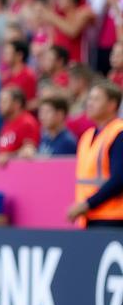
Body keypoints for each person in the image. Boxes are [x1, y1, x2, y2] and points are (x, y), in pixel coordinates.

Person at [66, 80, 123, 228]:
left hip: (113, 218)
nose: (89, 104)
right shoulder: (87, 136)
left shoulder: (118, 133)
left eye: (96, 99)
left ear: (112, 104)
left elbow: (119, 179)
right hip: (89, 217)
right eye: (89, 99)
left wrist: (88, 204)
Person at [0, 86, 40, 166]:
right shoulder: (7, 123)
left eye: (4, 101)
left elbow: (28, 152)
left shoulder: (27, 123)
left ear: (17, 104)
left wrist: (8, 157)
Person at [0, 39, 37, 107]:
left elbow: (30, 102)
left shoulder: (28, 76)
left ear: (19, 55)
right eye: (4, 53)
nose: (4, 56)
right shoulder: (6, 75)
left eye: (8, 53)